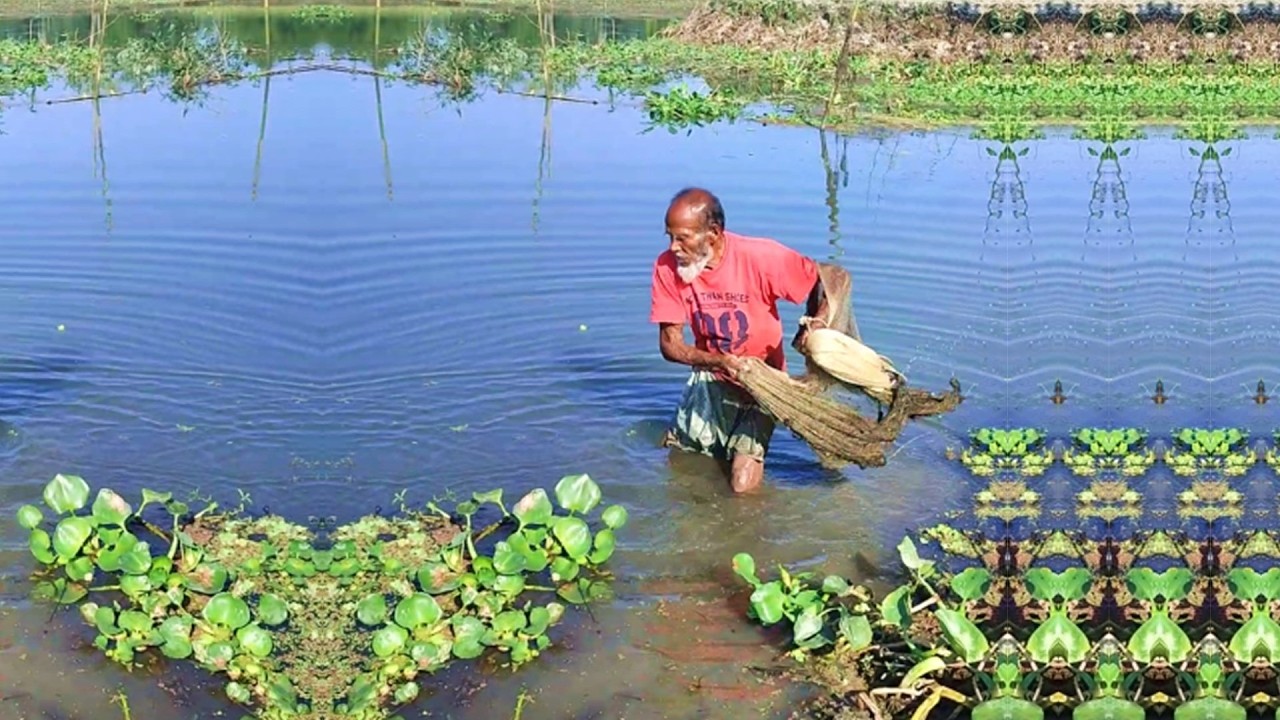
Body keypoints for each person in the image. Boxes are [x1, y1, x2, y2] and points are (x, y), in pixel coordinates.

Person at [649, 187, 841, 494]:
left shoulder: (760, 256)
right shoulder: (667, 268)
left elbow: (833, 277)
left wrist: (816, 327)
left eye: (683, 237)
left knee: (741, 485)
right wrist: (720, 361)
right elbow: (670, 345)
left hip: (764, 382)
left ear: (712, 234)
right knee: (681, 462)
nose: (674, 247)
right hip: (712, 376)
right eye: (669, 236)